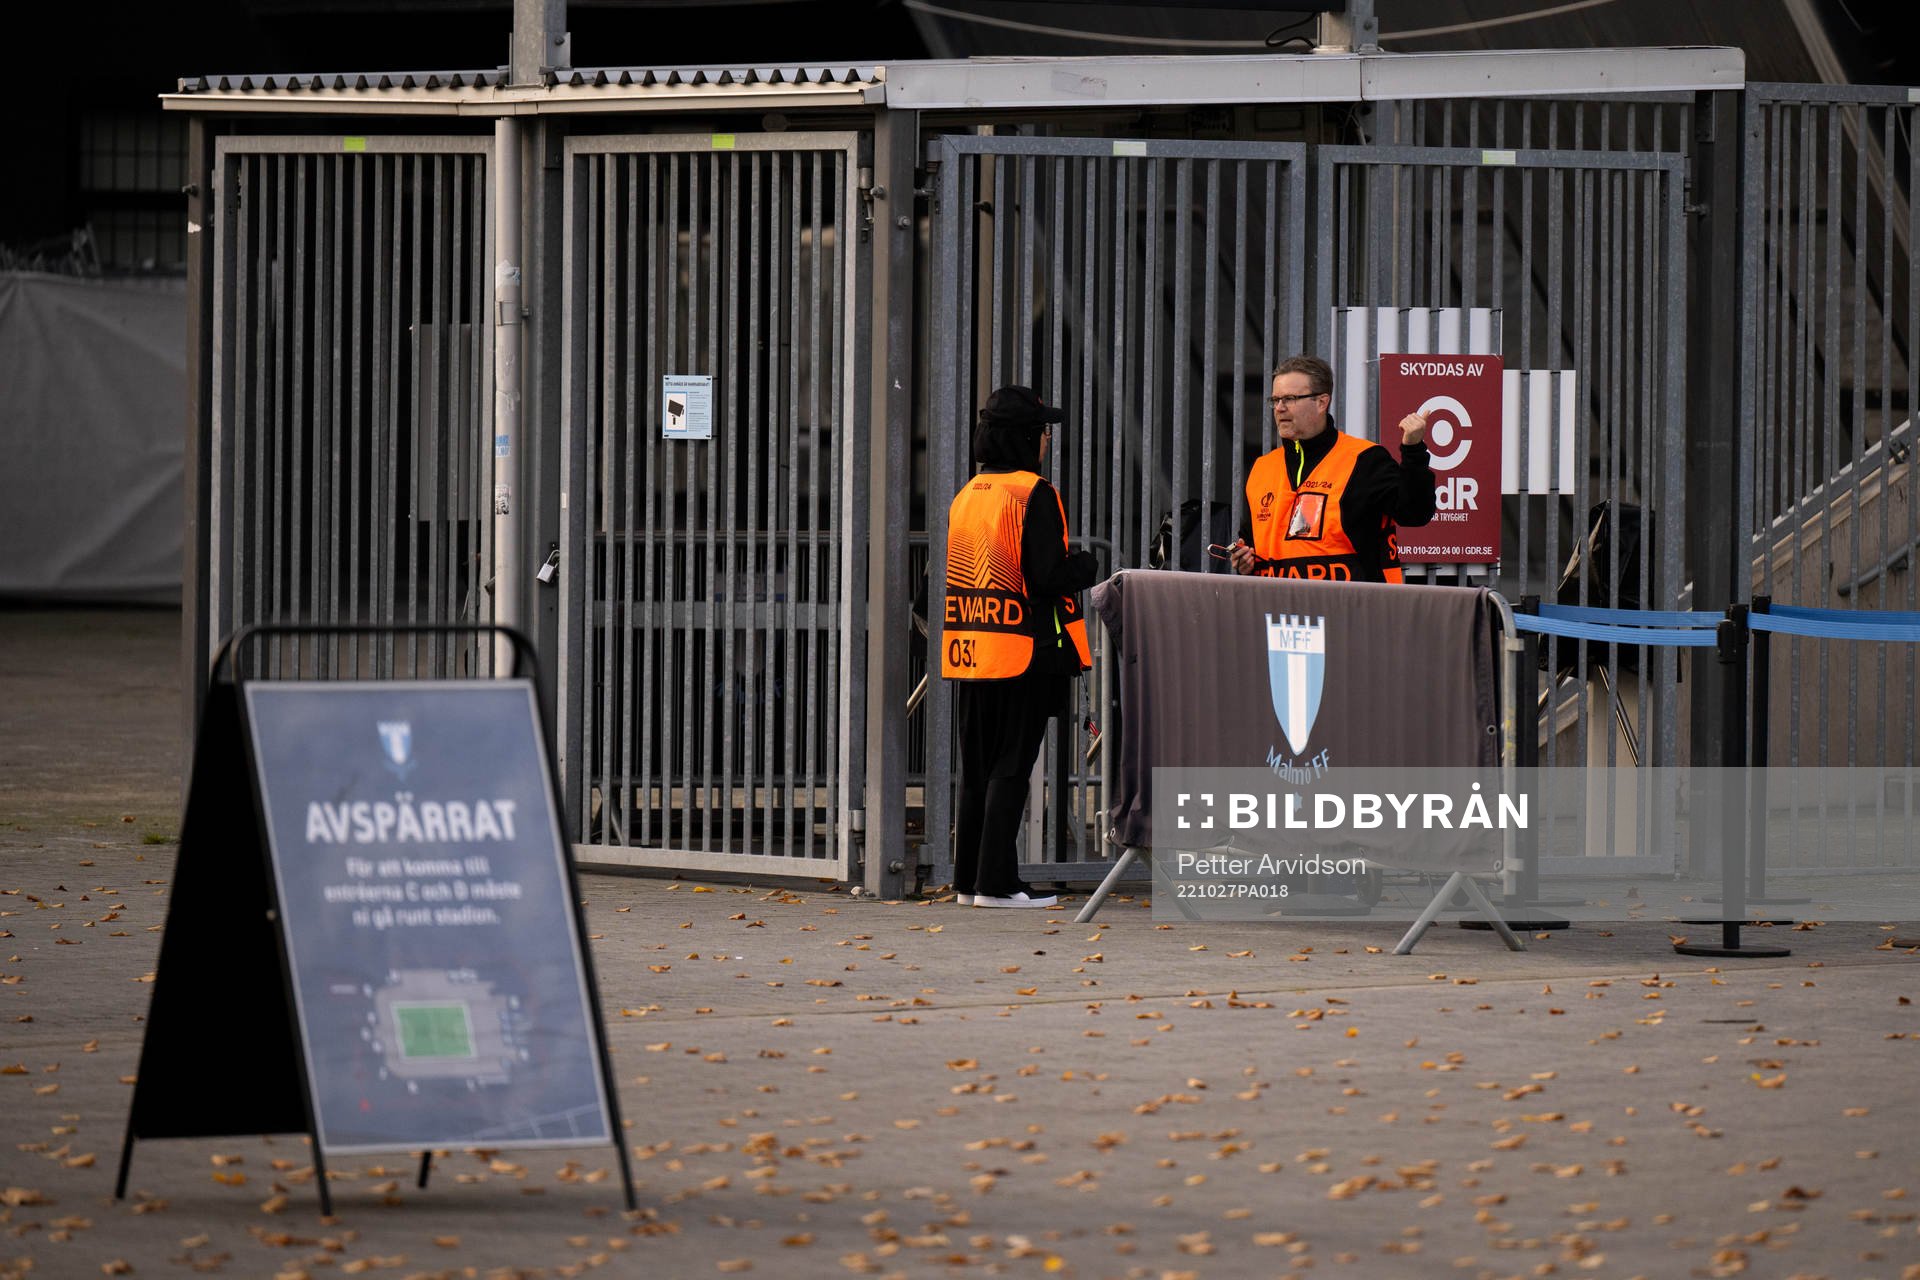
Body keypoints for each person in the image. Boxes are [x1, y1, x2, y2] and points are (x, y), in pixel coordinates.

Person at [941, 386, 1097, 909]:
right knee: (1012, 765)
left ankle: (969, 881)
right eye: (1044, 432)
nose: (1048, 440)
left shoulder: (969, 492)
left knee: (979, 766)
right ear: (1028, 437)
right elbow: (1046, 576)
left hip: (973, 646)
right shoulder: (1034, 492)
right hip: (1025, 650)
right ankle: (999, 885)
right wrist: (1086, 565)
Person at [1229, 355, 1436, 583]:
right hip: (1279, 611)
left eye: (1289, 399)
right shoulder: (1262, 468)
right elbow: (1250, 543)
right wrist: (1244, 559)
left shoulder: (1364, 459)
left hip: (1349, 610)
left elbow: (1415, 513)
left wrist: (1413, 450)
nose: (1279, 408)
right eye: (1275, 400)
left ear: (1321, 402)